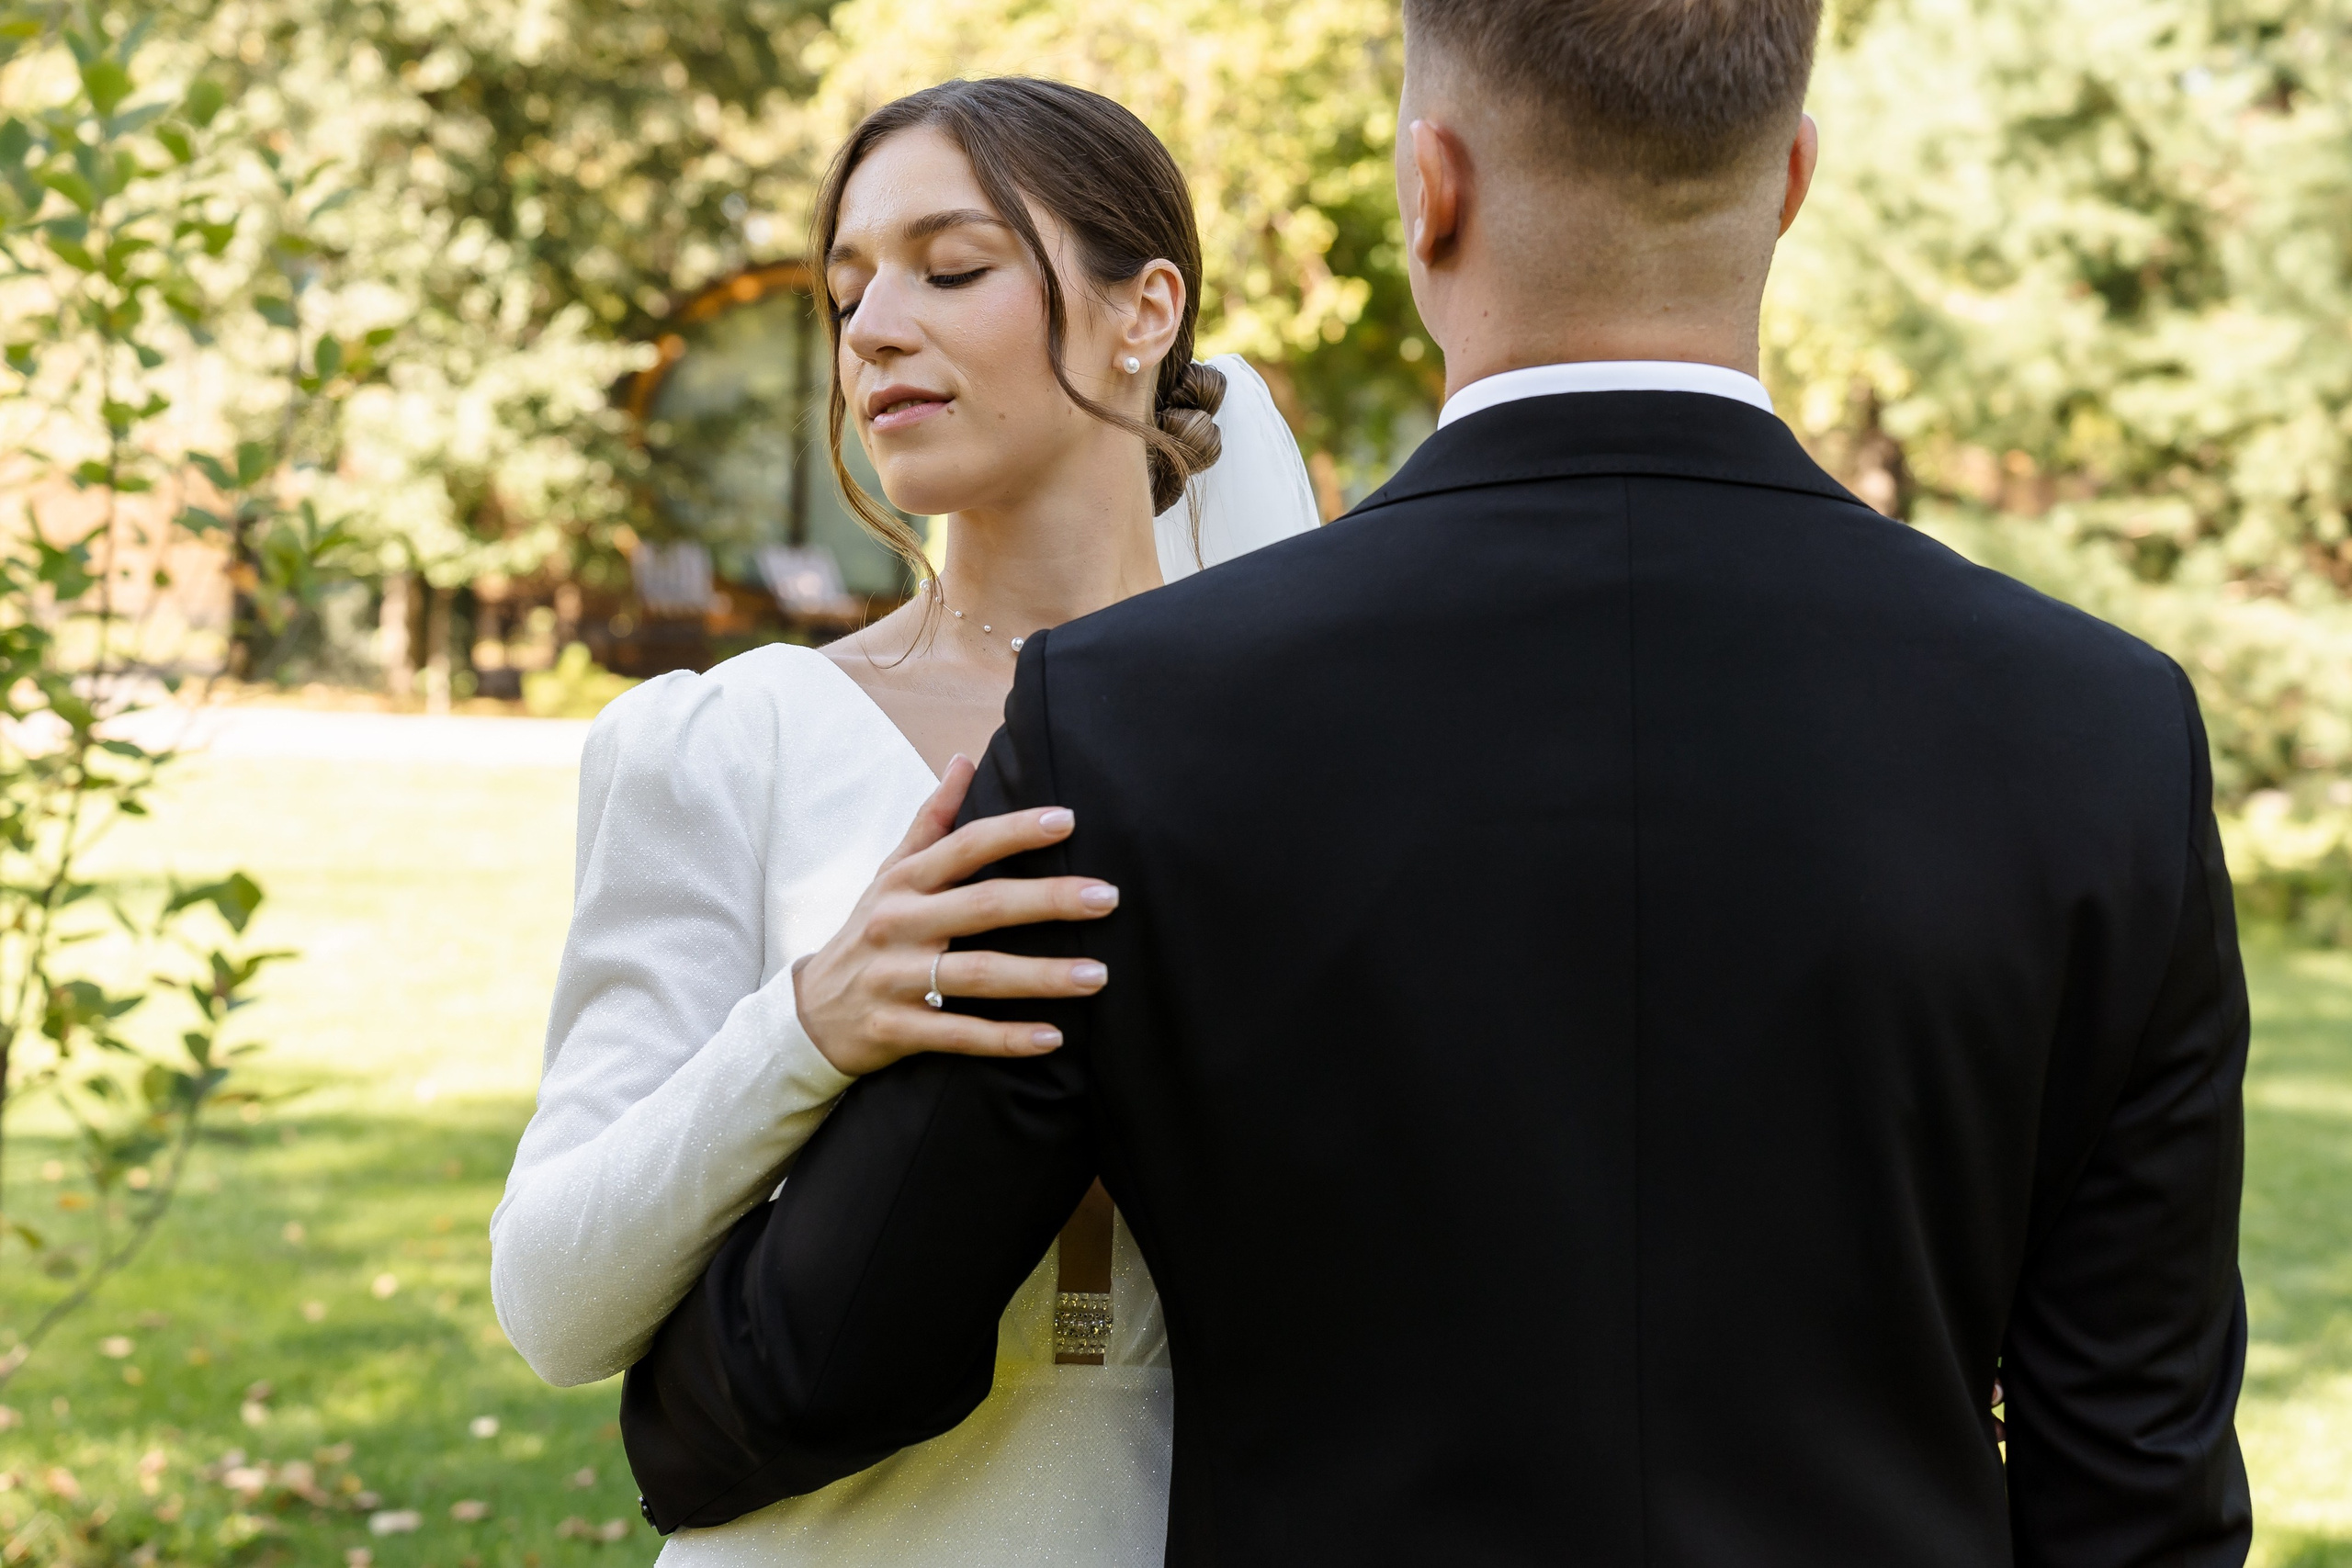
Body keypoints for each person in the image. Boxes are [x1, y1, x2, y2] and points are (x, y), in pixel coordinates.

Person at [626, 4, 2255, 1565]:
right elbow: (2136, 1478)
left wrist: (685, 1411)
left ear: (1430, 185)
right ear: (1791, 184)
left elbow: (823, 1353)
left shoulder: (1130, 720)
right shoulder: (2099, 727)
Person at [490, 78, 1320, 1565]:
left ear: (1146, 313)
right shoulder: (725, 745)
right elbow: (553, 1301)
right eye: (847, 286)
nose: (871, 327)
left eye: (950, 268)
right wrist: (814, 1020)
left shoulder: (1303, 759)